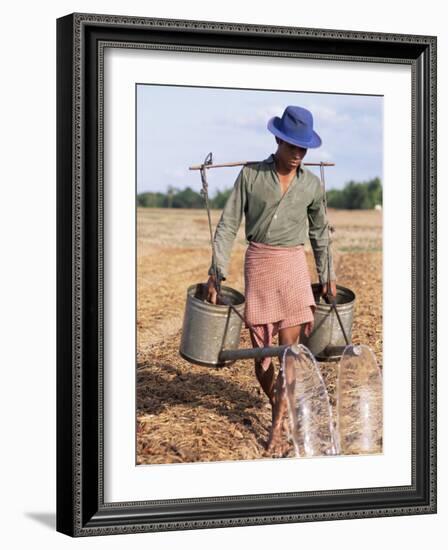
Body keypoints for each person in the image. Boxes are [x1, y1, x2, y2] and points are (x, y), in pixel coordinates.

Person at [206, 105, 337, 456]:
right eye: (293, 145)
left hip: (293, 265)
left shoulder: (310, 184)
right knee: (263, 360)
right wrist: (216, 272)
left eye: (304, 148)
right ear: (278, 139)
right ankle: (284, 405)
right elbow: (228, 225)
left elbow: (320, 233)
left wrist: (327, 274)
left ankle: (278, 430)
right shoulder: (250, 176)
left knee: (289, 355)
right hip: (260, 264)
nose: (298, 154)